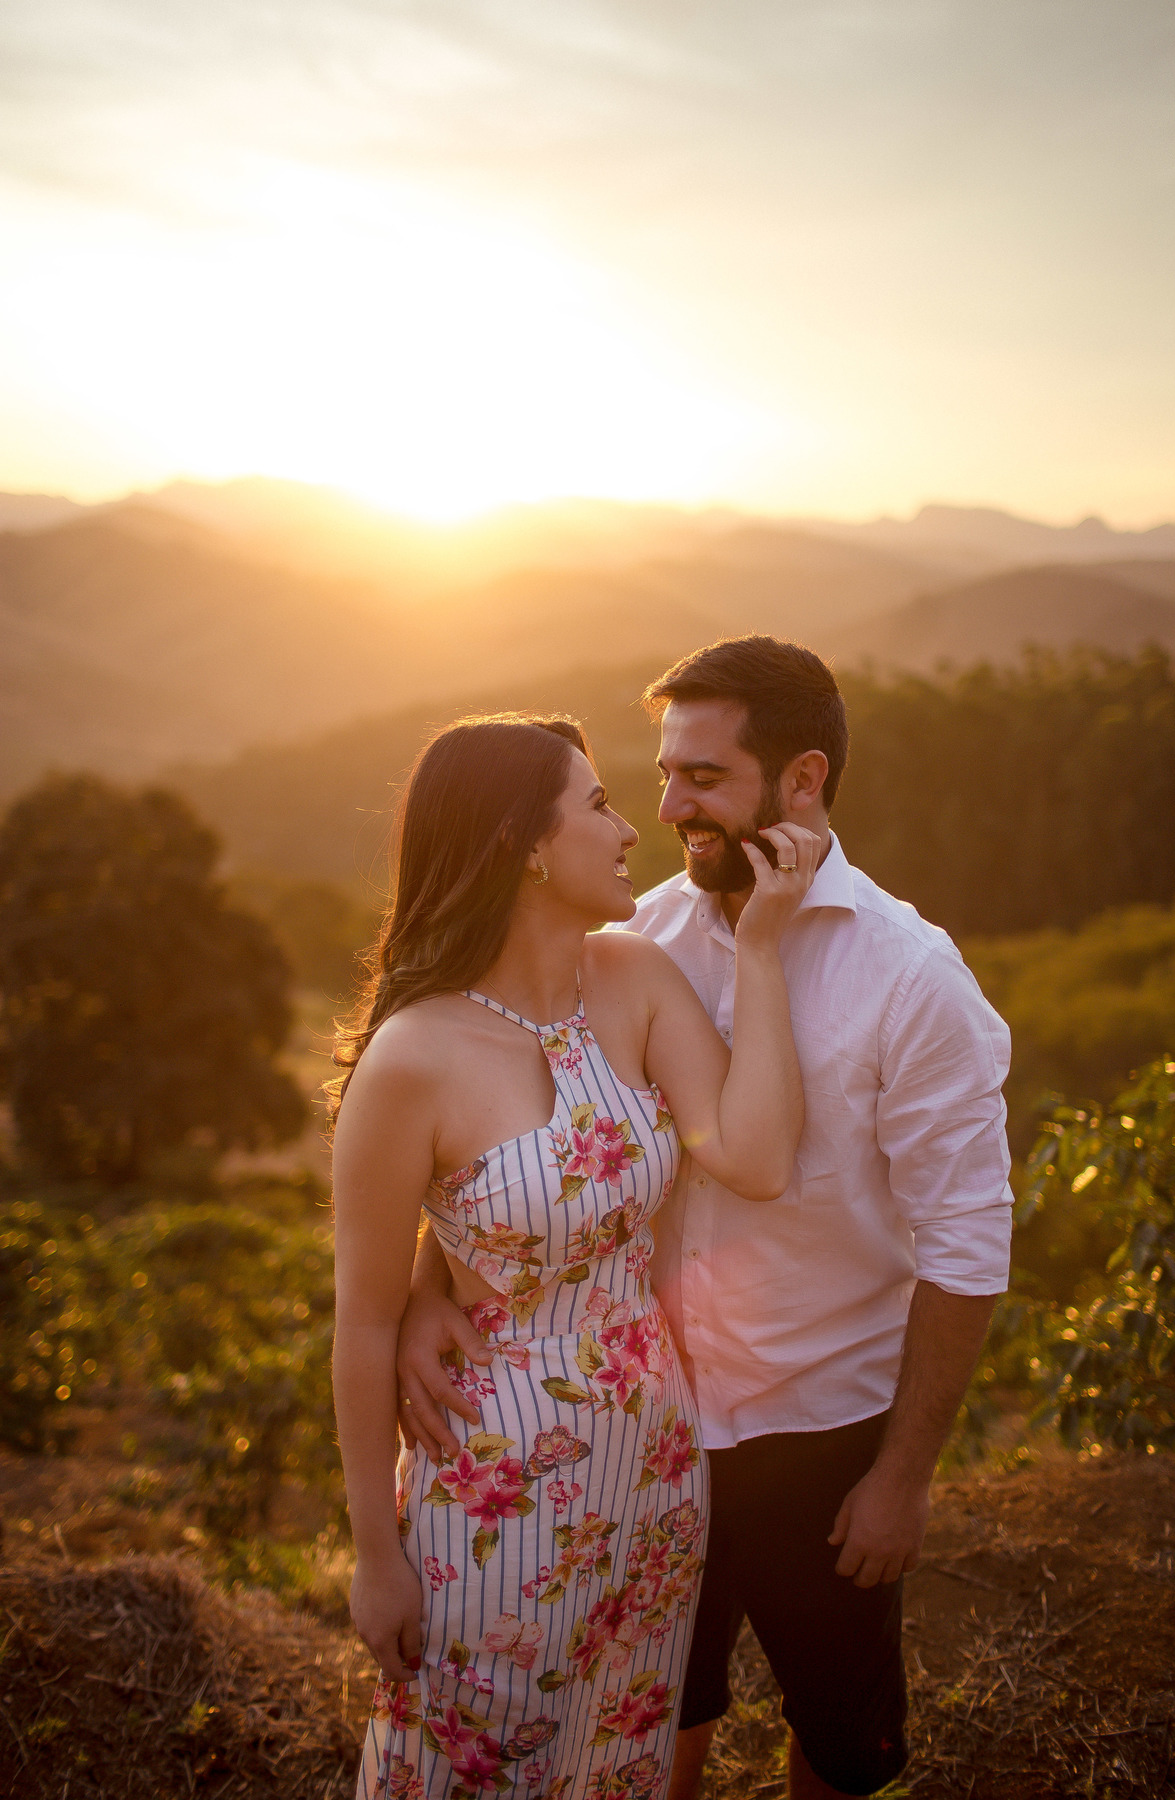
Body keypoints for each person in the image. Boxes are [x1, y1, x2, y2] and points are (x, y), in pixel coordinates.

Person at [394, 640, 1014, 1800]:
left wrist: (904, 1475)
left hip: (820, 1434)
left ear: (804, 780)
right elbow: (528, 1128)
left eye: (705, 778)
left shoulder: (913, 978)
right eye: (661, 774)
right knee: (653, 1721)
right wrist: (435, 1275)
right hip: (644, 1432)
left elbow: (970, 1246)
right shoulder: (630, 940)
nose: (668, 806)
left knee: (840, 1742)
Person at [331, 711, 820, 1800]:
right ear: (526, 843)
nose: (629, 829)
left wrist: (765, 947)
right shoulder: (412, 1058)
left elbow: (755, 1157)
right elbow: (362, 1322)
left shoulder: (635, 978)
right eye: (598, 805)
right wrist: (374, 1553)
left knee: (617, 1762)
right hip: (492, 1485)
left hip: (652, 1467)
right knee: (470, 1766)